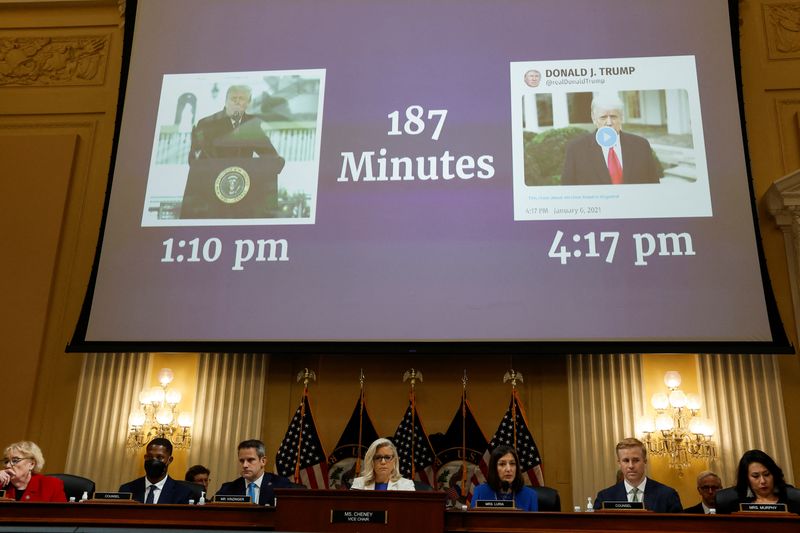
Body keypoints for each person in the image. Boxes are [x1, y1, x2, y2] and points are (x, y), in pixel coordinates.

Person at [561, 94, 662, 185]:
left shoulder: (641, 146)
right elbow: (568, 190)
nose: (609, 122)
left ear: (621, 117)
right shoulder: (576, 149)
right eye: (603, 117)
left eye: (613, 116)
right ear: (593, 118)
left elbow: (653, 186)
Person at [188, 84, 281, 164]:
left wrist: (277, 162)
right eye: (233, 98)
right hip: (213, 179)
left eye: (241, 99)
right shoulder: (206, 123)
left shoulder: (252, 124)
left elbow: (270, 155)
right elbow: (196, 159)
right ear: (226, 101)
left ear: (248, 103)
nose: (237, 102)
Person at [593, 437, 682, 512]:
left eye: (636, 460)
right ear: (619, 463)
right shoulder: (605, 497)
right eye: (626, 461)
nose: (631, 466)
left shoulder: (667, 495)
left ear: (645, 462)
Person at [215, 439, 293, 506]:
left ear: (263, 461)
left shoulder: (281, 485)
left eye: (250, 460)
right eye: (242, 461)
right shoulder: (227, 489)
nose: (245, 465)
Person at [118, 437, 194, 504]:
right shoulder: (127, 489)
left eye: (159, 457)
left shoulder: (183, 493)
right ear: (145, 457)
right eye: (150, 457)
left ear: (169, 460)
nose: (154, 461)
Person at [726, 449, 800, 514]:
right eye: (755, 476)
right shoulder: (736, 508)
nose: (763, 481)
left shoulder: (793, 507)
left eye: (767, 474)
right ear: (746, 479)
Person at [471, 445, 538, 511]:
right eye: (502, 464)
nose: (508, 469)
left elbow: (534, 522)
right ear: (494, 468)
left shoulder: (530, 495)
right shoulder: (480, 492)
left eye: (512, 463)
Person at [0, 441, 66, 502]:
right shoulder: (1, 483)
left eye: (15, 460)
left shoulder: (52, 485)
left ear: (31, 464)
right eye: (6, 461)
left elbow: (62, 513)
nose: (8, 465)